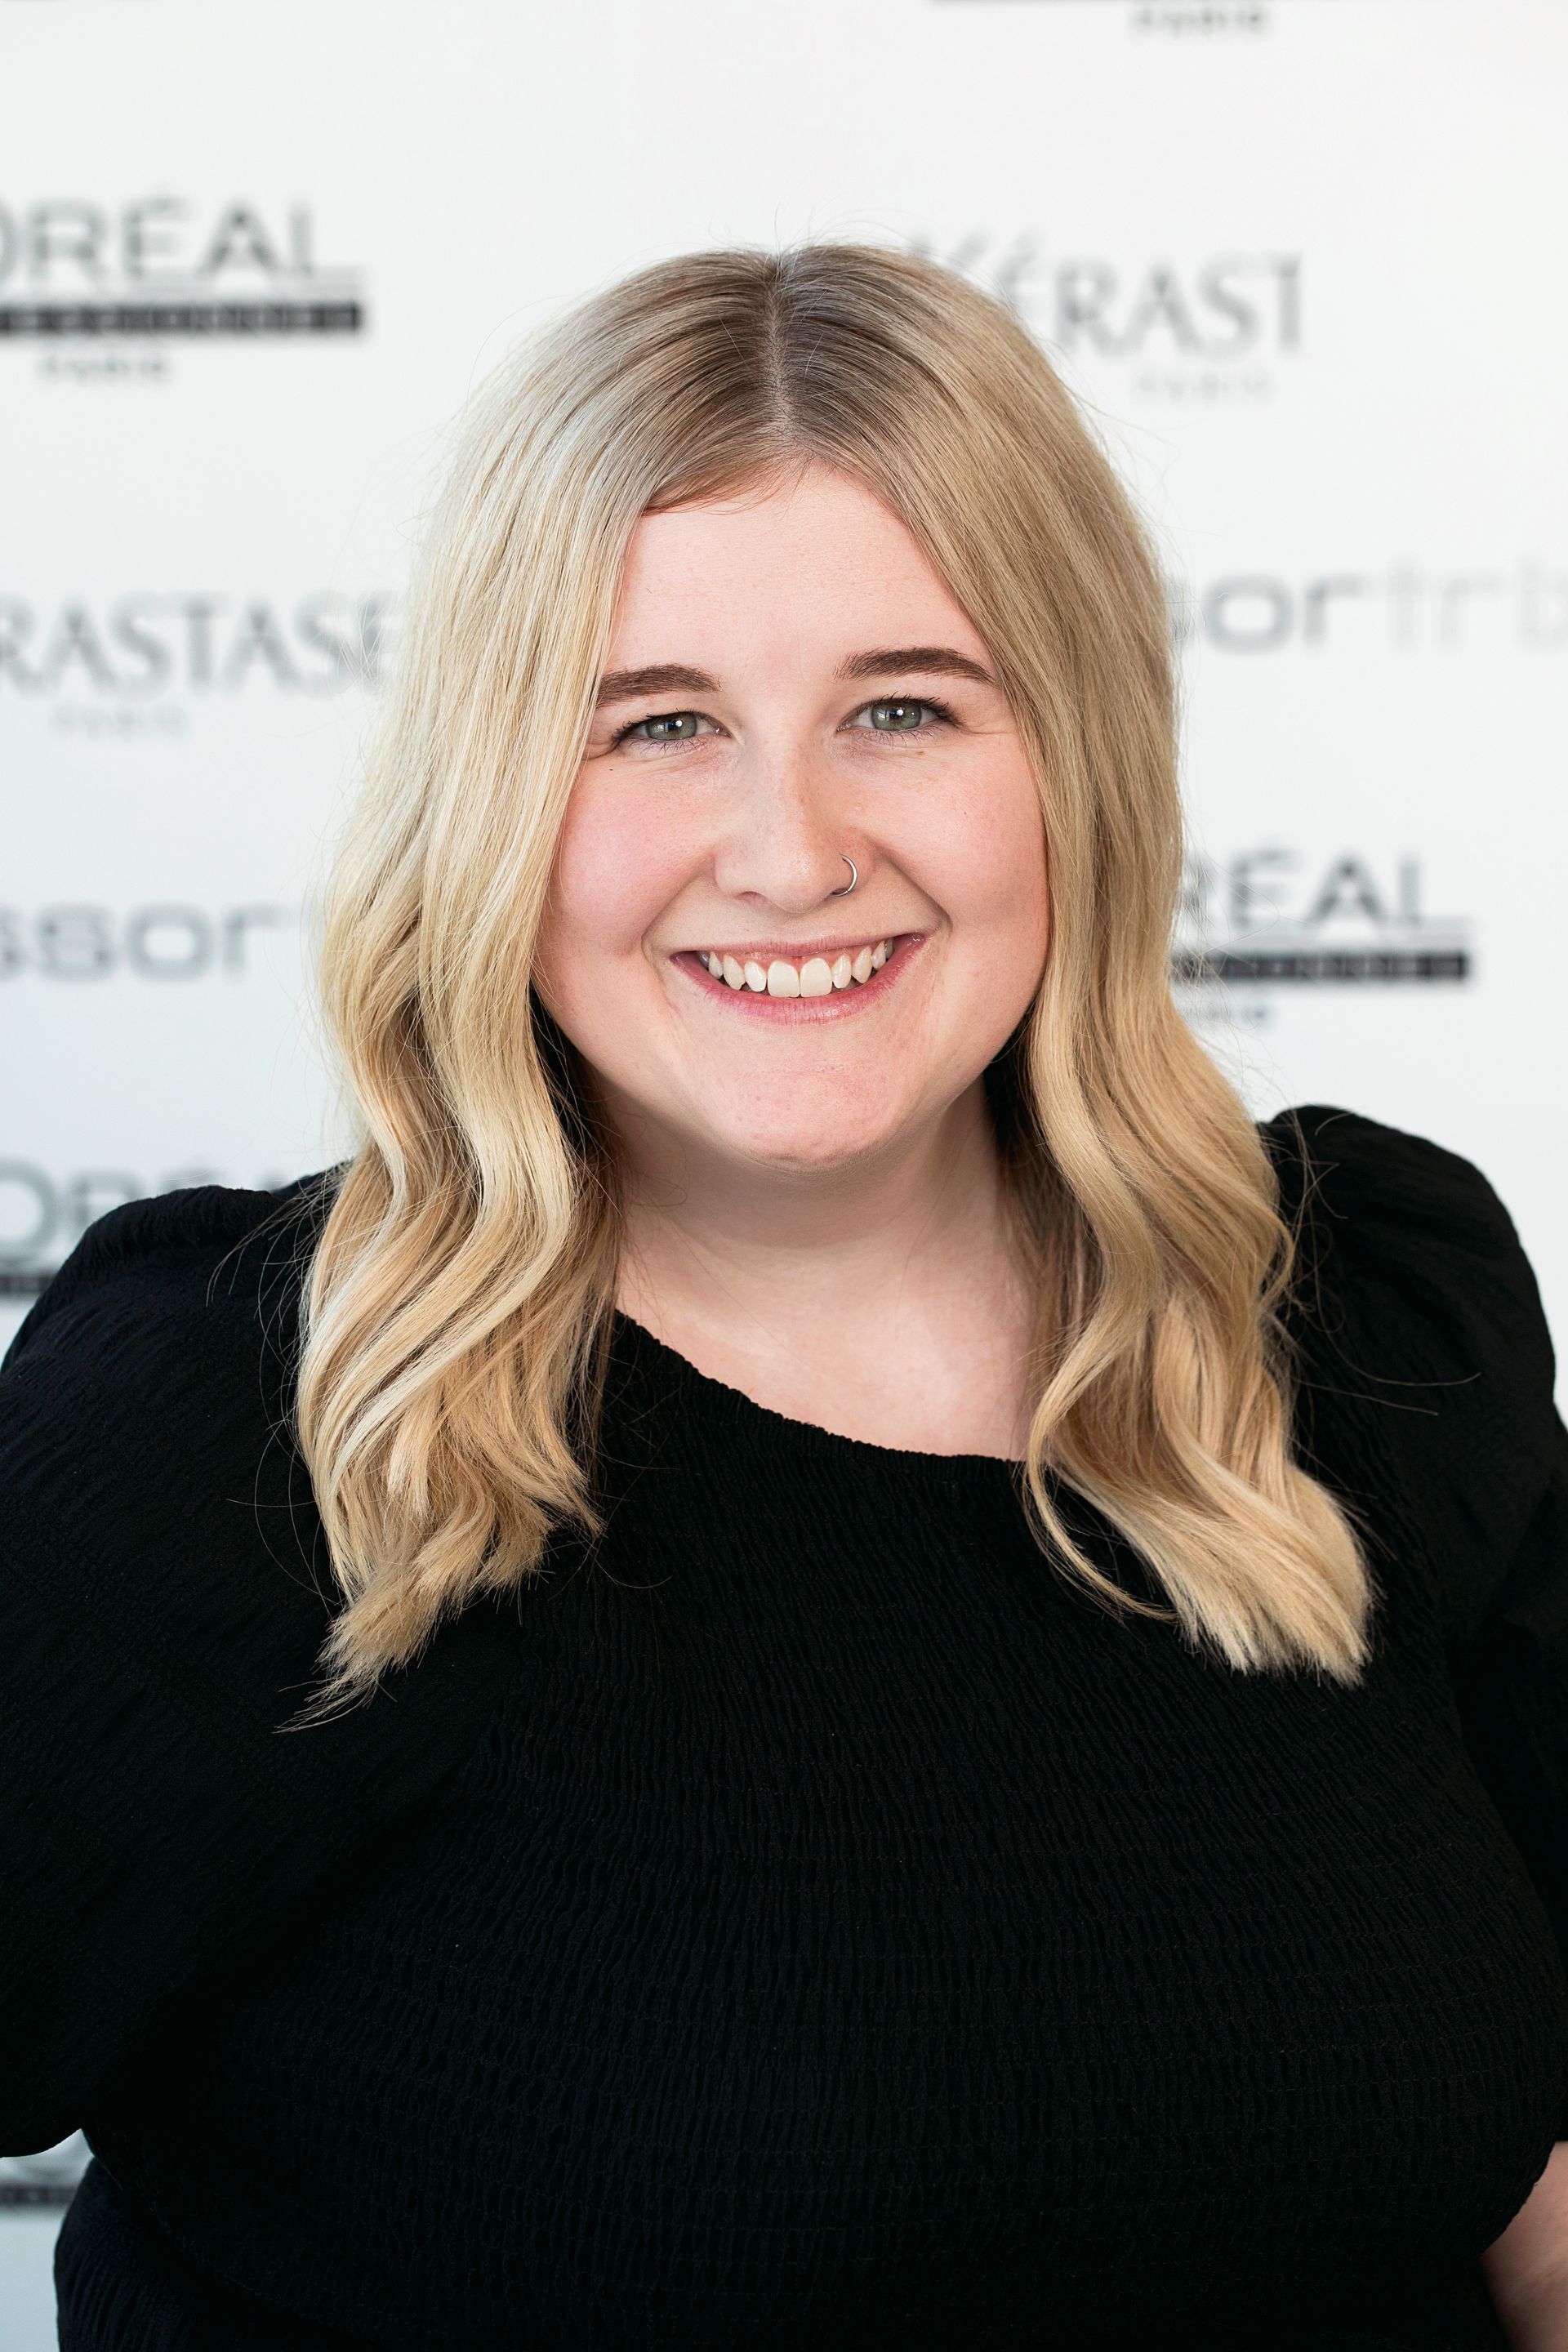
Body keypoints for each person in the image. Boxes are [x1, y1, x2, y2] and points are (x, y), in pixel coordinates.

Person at [2, 242, 1565, 2352]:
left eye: (902, 709)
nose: (790, 848)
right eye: (655, 726)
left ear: (1076, 762)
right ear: (499, 806)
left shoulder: (1362, 1327)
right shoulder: (239, 1433)